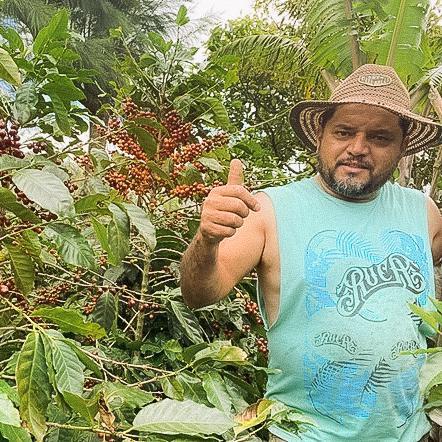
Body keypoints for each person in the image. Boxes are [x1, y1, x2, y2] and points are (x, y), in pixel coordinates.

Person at [180, 64, 442, 442]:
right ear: (320, 135)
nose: (358, 148)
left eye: (380, 138)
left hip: (411, 434)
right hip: (303, 436)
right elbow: (199, 294)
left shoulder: (424, 213)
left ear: (402, 148)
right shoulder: (268, 211)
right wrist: (207, 239)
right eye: (344, 132)